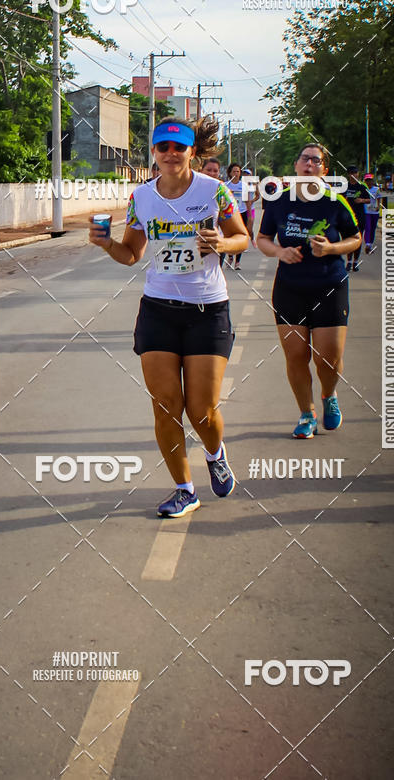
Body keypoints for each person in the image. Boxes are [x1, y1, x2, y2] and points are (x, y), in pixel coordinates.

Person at [89, 118, 249, 517]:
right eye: (163, 148)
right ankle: (184, 489)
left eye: (179, 148)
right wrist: (108, 243)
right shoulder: (141, 198)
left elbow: (242, 236)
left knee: (202, 410)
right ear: (154, 154)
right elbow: (131, 255)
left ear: (192, 152)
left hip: (207, 309)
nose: (171, 154)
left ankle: (214, 453)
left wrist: (223, 242)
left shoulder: (215, 191)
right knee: (165, 406)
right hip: (158, 309)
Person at [256, 143, 361, 439]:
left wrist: (331, 248)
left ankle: (329, 395)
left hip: (329, 285)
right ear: (296, 165)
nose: (310, 165)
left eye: (316, 161)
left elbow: (355, 239)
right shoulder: (278, 201)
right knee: (296, 355)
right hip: (290, 287)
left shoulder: (335, 201)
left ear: (324, 170)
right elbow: (262, 238)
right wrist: (279, 252)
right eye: (305, 159)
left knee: (327, 358)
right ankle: (307, 413)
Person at [342, 166, 369, 271]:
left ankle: (355, 262)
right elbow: (340, 200)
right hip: (348, 217)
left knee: (358, 239)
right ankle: (348, 262)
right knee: (349, 239)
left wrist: (361, 200)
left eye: (356, 172)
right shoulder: (345, 187)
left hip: (360, 216)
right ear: (348, 174)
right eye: (352, 173)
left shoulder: (362, 186)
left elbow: (369, 200)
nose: (354, 175)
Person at [225, 163, 249, 268]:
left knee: (240, 235)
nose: (236, 173)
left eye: (238, 171)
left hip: (242, 212)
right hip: (229, 213)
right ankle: (230, 256)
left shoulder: (243, 186)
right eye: (234, 171)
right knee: (229, 236)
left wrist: (250, 215)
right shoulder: (225, 185)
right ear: (230, 173)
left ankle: (237, 262)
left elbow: (248, 200)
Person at [363, 173, 381, 253]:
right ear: (365, 181)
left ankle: (370, 244)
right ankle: (367, 244)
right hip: (366, 211)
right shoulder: (363, 189)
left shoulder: (376, 189)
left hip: (374, 212)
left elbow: (378, 198)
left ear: (372, 181)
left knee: (373, 229)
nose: (369, 182)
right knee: (368, 228)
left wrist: (378, 207)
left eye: (370, 180)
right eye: (367, 180)